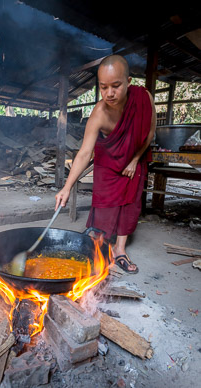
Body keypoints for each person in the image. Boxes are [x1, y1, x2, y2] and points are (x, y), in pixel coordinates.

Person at [55, 54, 156, 274]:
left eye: (116, 86)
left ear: (128, 82)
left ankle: (120, 249)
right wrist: (66, 187)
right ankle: (99, 244)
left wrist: (136, 159)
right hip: (108, 161)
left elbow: (149, 133)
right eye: (103, 87)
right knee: (104, 203)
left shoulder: (143, 98)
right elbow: (84, 153)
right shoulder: (99, 113)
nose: (109, 93)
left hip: (134, 158)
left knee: (130, 203)